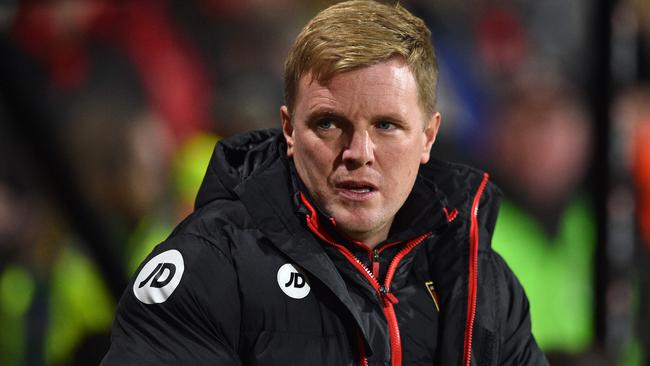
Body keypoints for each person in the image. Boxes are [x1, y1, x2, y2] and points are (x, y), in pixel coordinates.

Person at [101, 1, 547, 365]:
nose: (359, 151)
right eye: (330, 124)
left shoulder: (478, 282)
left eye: (387, 125)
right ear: (289, 131)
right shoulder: (209, 269)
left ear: (428, 137)